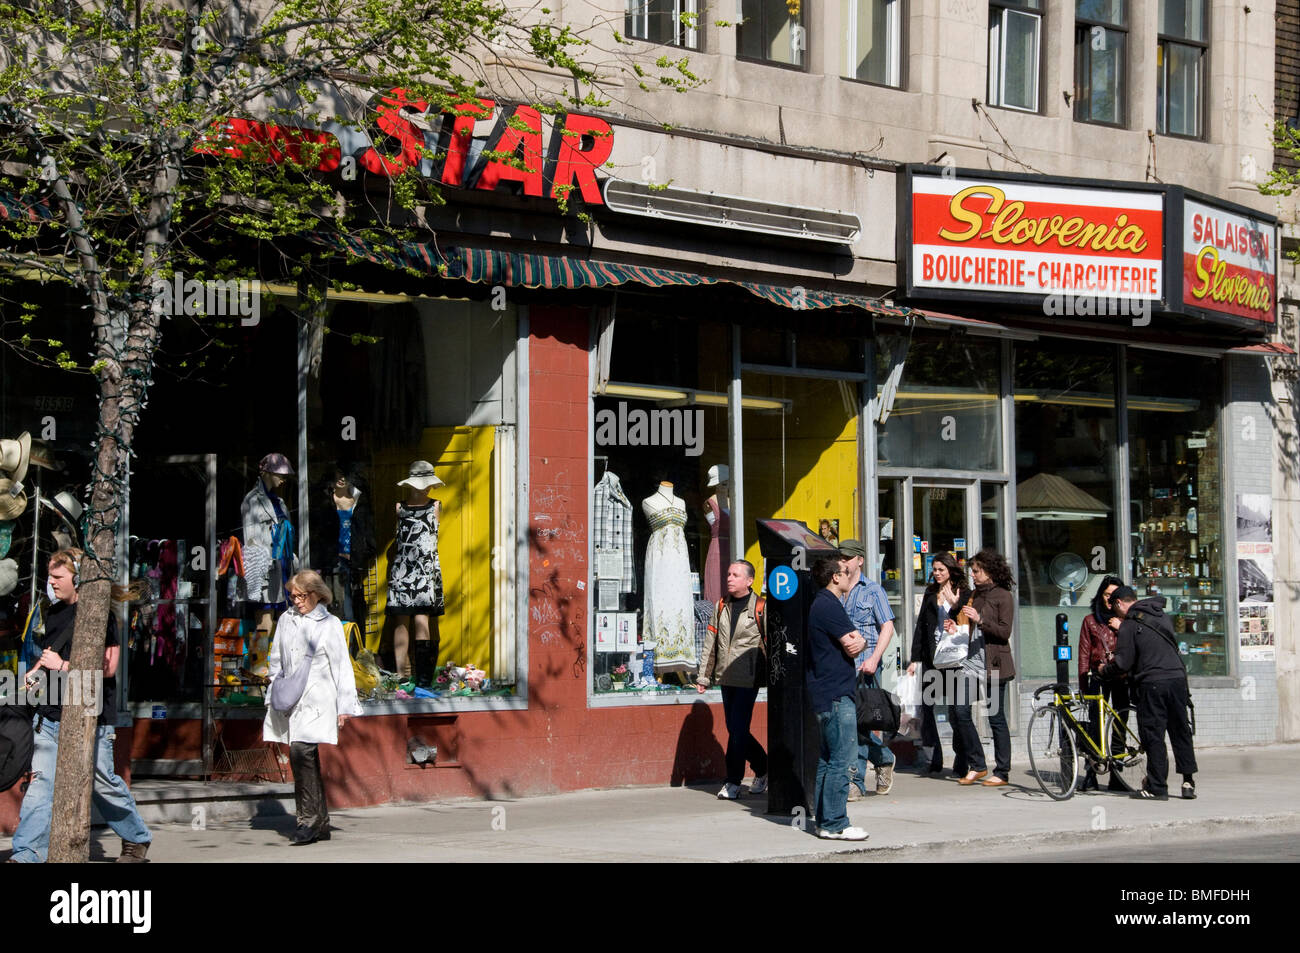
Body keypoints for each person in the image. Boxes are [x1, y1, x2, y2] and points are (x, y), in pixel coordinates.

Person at [9, 549, 152, 863]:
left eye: (58, 577)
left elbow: (108, 669)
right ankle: (26, 854)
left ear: (78, 578)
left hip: (91, 713)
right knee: (41, 783)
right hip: (51, 714)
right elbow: (50, 655)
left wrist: (62, 667)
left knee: (103, 782)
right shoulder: (54, 613)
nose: (52, 583)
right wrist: (36, 674)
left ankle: (136, 838)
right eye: (50, 576)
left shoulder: (101, 616)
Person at [264, 570, 363, 845]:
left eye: (301, 595)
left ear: (317, 593)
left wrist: (345, 706)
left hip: (319, 699)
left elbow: (342, 666)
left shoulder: (329, 624)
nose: (296, 601)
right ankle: (320, 822)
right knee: (306, 756)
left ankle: (306, 821)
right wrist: (274, 691)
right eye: (293, 596)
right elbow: (276, 660)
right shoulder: (286, 620)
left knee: (300, 751)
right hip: (293, 701)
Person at [1104, 587, 1198, 801]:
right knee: (1180, 731)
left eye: (1113, 606)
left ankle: (1156, 787)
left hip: (1152, 682)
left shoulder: (1129, 624)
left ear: (1119, 603)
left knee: (1154, 734)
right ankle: (1188, 782)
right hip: (1177, 680)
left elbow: (1123, 663)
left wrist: (1104, 671)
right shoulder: (1161, 615)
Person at [805, 555, 869, 840]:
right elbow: (853, 646)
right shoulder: (829, 605)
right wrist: (863, 640)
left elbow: (851, 642)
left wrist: (857, 639)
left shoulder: (823, 604)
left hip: (825, 691)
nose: (849, 576)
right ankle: (835, 823)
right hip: (835, 692)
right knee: (843, 759)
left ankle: (824, 820)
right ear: (835, 577)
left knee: (828, 759)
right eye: (845, 571)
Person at [696, 560, 768, 800]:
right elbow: (711, 643)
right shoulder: (721, 606)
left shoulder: (760, 608)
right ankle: (764, 767)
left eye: (736, 575)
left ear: (749, 581)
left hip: (748, 677)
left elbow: (771, 644)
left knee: (737, 729)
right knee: (735, 728)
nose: (729, 578)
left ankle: (733, 781)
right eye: (728, 574)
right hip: (726, 676)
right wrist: (704, 676)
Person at [838, 539, 897, 798]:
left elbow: (887, 626)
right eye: (840, 557)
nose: (842, 562)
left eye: (847, 558)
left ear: (859, 560)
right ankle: (883, 758)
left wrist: (874, 658)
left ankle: (856, 782)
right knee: (845, 723)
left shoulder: (873, 591)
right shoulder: (835, 589)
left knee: (858, 723)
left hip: (865, 668)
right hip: (839, 667)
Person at [906, 552, 970, 777]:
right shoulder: (931, 592)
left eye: (941, 569)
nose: (937, 573)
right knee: (928, 707)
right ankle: (935, 758)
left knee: (956, 712)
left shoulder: (964, 591)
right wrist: (915, 658)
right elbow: (921, 626)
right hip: (932, 658)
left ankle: (962, 760)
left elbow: (966, 622)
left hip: (955, 659)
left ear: (951, 570)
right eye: (934, 569)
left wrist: (954, 604)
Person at [966, 548, 1015, 787]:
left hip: (994, 664)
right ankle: (977, 764)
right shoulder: (977, 594)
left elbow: (1005, 631)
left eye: (977, 571)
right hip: (972, 662)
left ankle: (1002, 770)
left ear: (989, 571)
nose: (973, 575)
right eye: (972, 571)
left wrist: (981, 620)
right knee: (959, 710)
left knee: (995, 717)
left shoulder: (1003, 596)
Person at [1078, 574, 1129, 792]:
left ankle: (1116, 774)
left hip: (1121, 677)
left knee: (1119, 724)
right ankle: (1092, 772)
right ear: (1100, 596)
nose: (1109, 599)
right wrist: (1082, 684)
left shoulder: (1128, 621)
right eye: (1106, 594)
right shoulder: (1090, 621)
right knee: (1095, 725)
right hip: (1098, 678)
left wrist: (1122, 627)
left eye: (1114, 595)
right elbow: (1083, 654)